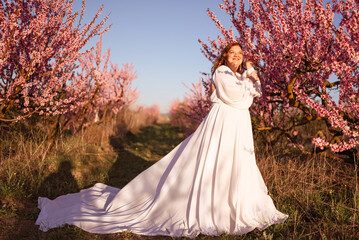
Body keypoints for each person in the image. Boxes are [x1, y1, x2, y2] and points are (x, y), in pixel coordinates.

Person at [36, 42, 288, 238]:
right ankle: (214, 205)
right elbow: (240, 98)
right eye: (232, 52)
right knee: (216, 162)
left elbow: (255, 93)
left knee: (236, 164)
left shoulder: (240, 76)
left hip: (238, 126)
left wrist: (250, 76)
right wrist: (252, 77)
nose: (237, 55)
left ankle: (236, 204)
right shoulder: (222, 73)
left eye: (240, 53)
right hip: (224, 125)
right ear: (224, 57)